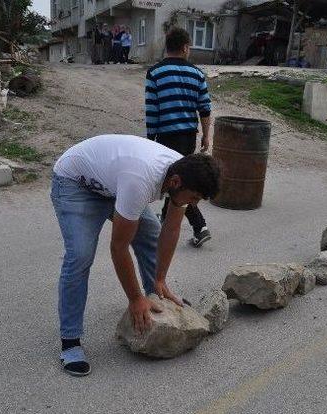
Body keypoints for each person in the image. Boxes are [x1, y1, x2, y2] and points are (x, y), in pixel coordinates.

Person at [51, 134, 220, 376]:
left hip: (113, 184)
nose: (194, 204)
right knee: (79, 256)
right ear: (175, 182)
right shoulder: (141, 180)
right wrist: (134, 298)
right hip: (75, 183)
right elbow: (118, 247)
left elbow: (170, 230)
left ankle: (155, 294)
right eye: (193, 198)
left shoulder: (186, 171)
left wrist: (160, 280)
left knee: (151, 233)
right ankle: (70, 341)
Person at [145, 27, 213, 247]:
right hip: (187, 137)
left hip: (165, 136)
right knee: (179, 180)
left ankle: (199, 226)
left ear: (168, 47)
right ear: (185, 48)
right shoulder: (197, 74)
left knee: (177, 182)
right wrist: (206, 136)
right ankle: (170, 219)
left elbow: (152, 110)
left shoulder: (155, 73)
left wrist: (150, 140)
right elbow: (204, 108)